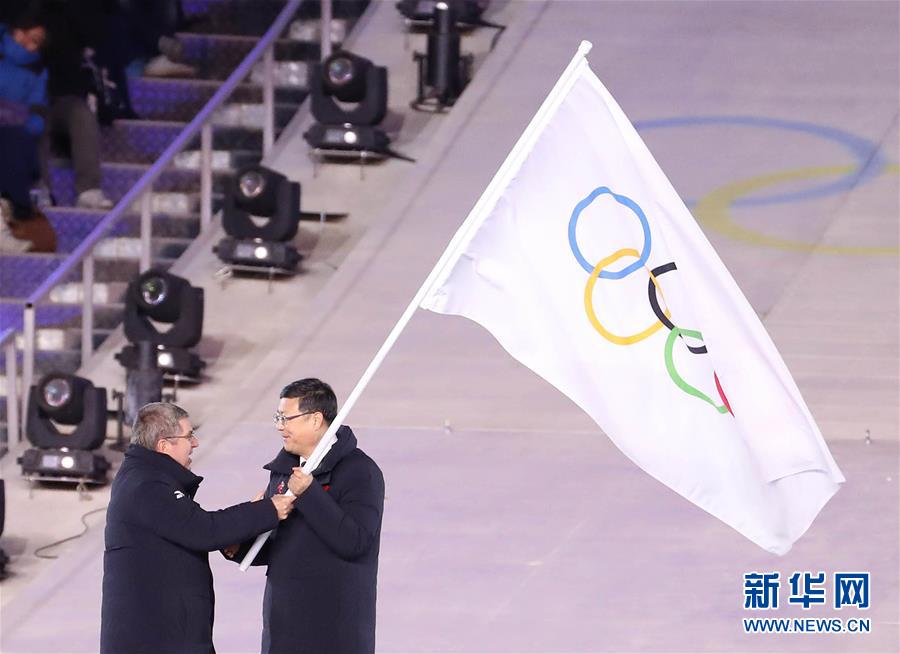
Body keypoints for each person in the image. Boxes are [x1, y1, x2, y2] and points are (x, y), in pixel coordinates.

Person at [100, 402, 297, 654]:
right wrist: (269, 510)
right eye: (188, 436)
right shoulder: (147, 486)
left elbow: (192, 525)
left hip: (164, 634)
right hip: (156, 640)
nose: (195, 443)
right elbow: (203, 530)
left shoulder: (143, 477)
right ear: (164, 445)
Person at [226, 378, 385, 654]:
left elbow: (355, 542)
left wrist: (309, 493)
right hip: (284, 625)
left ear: (315, 420)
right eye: (278, 417)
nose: (279, 426)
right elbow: (281, 544)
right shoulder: (284, 470)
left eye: (286, 418)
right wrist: (240, 545)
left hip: (333, 628)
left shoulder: (360, 472)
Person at [40, 0, 114, 209]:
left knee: (81, 115)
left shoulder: (68, 14)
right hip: (26, 101)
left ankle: (89, 190)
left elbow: (92, 36)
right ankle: (38, 190)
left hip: (62, 97)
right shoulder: (19, 17)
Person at [0, 5, 56, 252]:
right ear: (17, 32)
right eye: (31, 38)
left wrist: (16, 116)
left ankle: (14, 207)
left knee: (18, 140)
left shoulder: (37, 70)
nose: (32, 47)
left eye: (38, 42)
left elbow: (36, 112)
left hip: (13, 131)